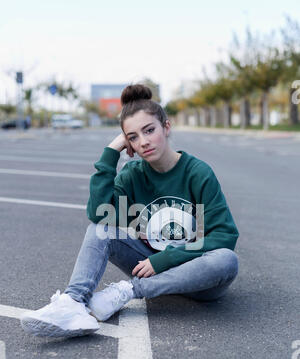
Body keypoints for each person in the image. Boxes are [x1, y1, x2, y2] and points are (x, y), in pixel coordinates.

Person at [20, 84, 239, 339]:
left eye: (149, 130)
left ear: (166, 127)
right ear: (129, 144)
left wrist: (163, 260)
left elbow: (223, 235)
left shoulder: (197, 173)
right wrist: (111, 152)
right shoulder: (133, 175)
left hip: (197, 278)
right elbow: (100, 216)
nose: (144, 141)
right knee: (100, 231)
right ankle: (73, 303)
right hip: (146, 263)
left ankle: (127, 291)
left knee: (226, 259)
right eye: (133, 137)